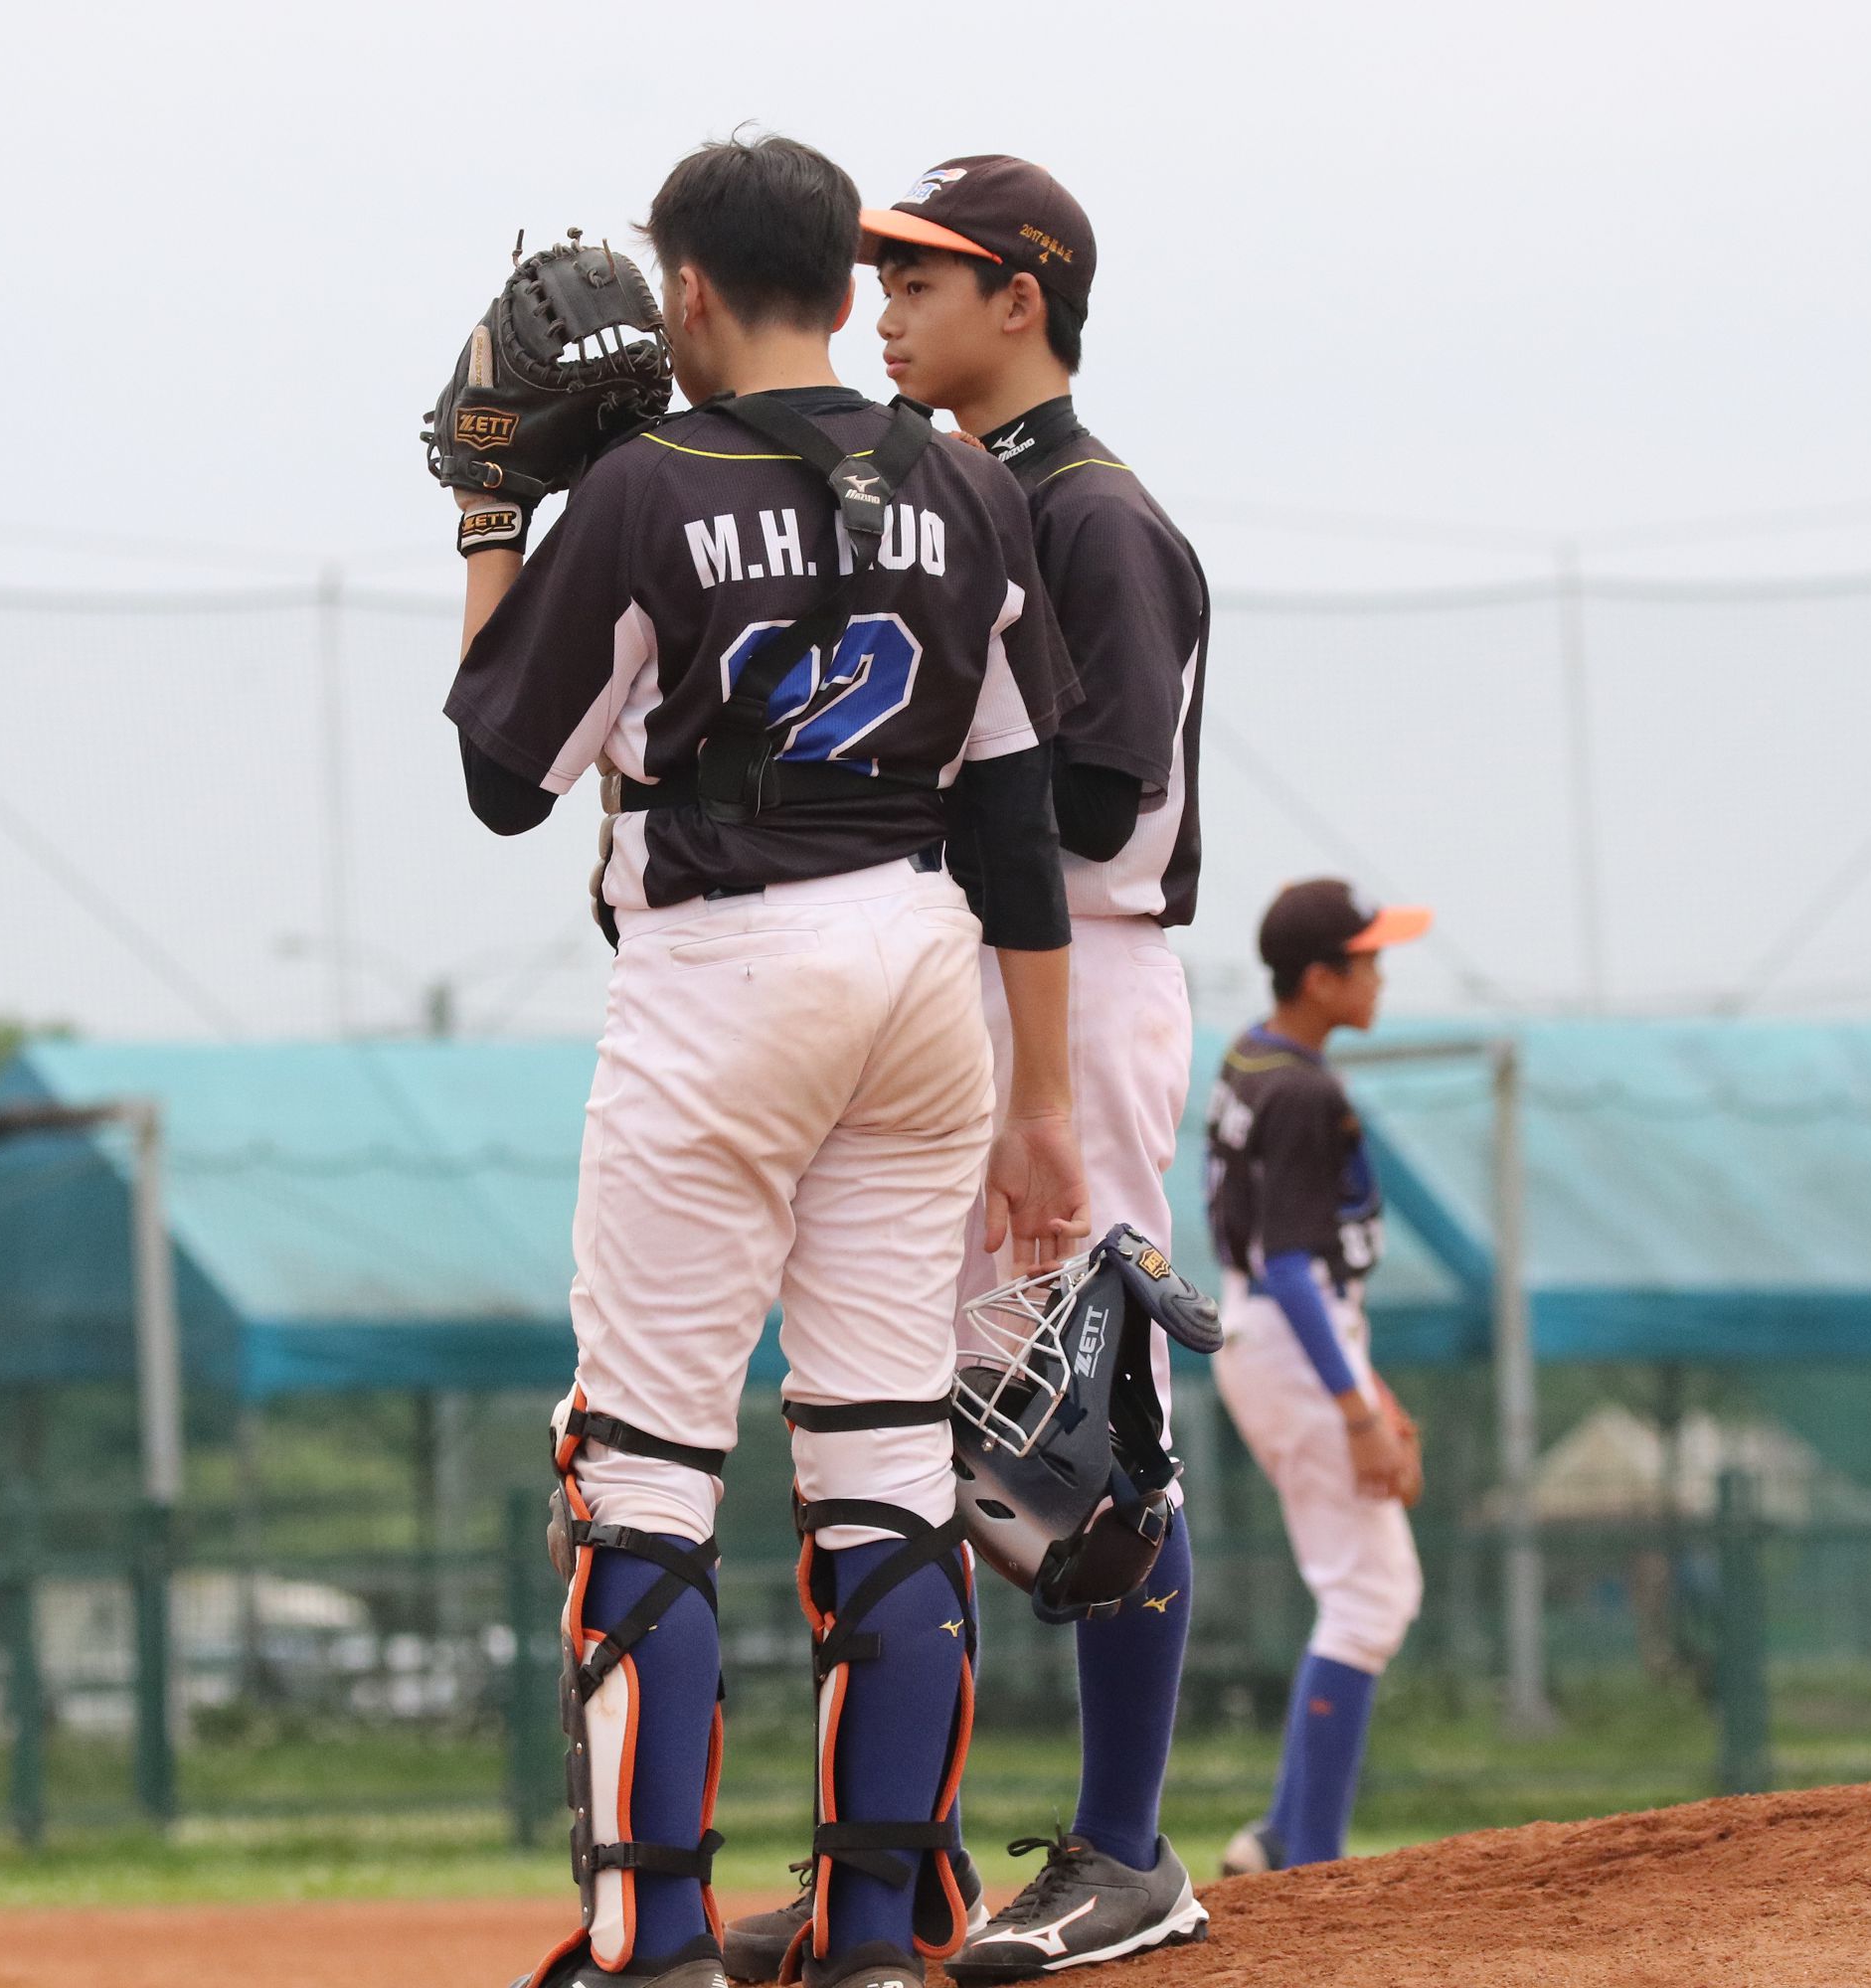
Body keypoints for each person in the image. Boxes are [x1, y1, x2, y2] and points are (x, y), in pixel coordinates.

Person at [442, 132, 1092, 1988]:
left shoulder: (646, 489)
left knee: (644, 1464)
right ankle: (881, 1931)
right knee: (884, 1457)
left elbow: (505, 779)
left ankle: (650, 1940)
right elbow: (1017, 815)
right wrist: (1045, 1103)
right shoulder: (967, 488)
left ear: (694, 293)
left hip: (728, 970)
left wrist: (491, 524)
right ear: (834, 279)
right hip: (924, 969)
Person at [731, 155, 1216, 1985]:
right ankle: (899, 1868)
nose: (888, 308)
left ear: (1025, 298)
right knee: (912, 1422)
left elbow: (1094, 804)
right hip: (965, 983)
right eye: (882, 276)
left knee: (1085, 1418)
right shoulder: (957, 503)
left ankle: (1129, 1853)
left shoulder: (1093, 516)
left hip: (1080, 980)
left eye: (924, 278)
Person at [1204, 879, 1432, 1876]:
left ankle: (1282, 1838)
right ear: (1319, 978)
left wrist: (1371, 1391)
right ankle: (1311, 1855)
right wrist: (1355, 1407)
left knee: (1369, 1588)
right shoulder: (1301, 1089)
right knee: (1369, 1597)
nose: (1380, 976)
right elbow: (1291, 1264)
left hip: (1284, 1338)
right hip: (1293, 1341)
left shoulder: (1255, 1056)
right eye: (1366, 960)